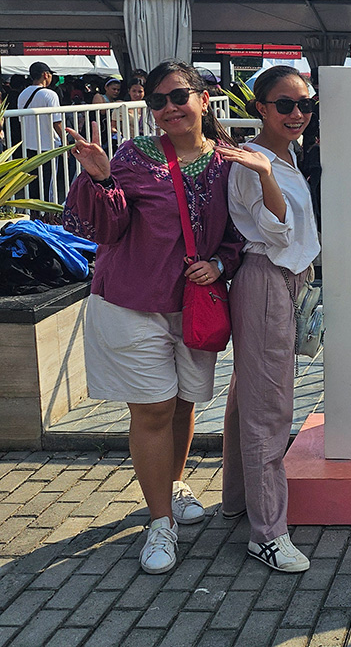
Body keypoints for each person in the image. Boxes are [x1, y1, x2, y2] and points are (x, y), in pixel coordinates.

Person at [62, 59, 243, 575]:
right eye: (157, 101)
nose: (168, 108)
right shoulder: (134, 155)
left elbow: (240, 231)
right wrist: (100, 178)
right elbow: (108, 229)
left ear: (203, 98)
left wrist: (221, 263)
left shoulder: (229, 160)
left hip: (193, 305)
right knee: (154, 409)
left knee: (183, 403)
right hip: (132, 300)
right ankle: (160, 521)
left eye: (178, 96)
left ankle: (174, 481)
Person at [216, 65, 320, 573]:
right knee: (269, 408)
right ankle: (268, 532)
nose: (297, 113)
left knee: (250, 395)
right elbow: (275, 231)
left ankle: (238, 499)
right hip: (266, 280)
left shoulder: (287, 152)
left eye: (305, 104)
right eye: (285, 104)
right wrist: (264, 174)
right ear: (260, 107)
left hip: (284, 280)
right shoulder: (252, 162)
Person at [17, 61, 64, 204]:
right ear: (45, 75)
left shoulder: (22, 94)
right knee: (49, 185)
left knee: (33, 184)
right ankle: (48, 213)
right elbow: (57, 122)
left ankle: (34, 212)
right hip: (48, 146)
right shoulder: (50, 95)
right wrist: (66, 142)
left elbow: (21, 120)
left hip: (29, 146)